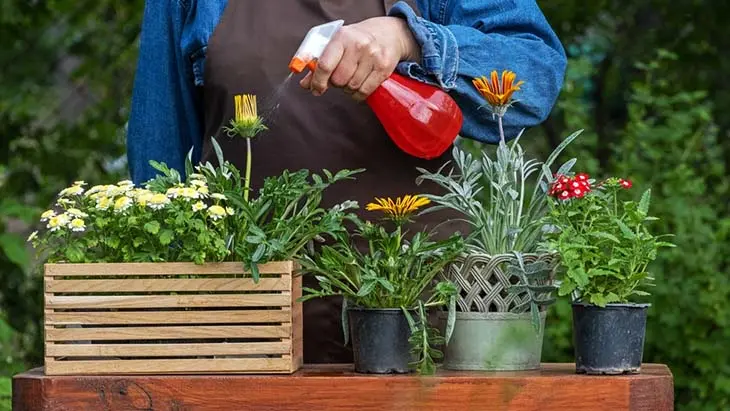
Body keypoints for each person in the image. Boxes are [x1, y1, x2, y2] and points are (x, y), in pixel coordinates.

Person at [126, 0, 567, 364]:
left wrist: (407, 38)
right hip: (246, 319)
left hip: (414, 314)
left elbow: (537, 73)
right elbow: (161, 158)